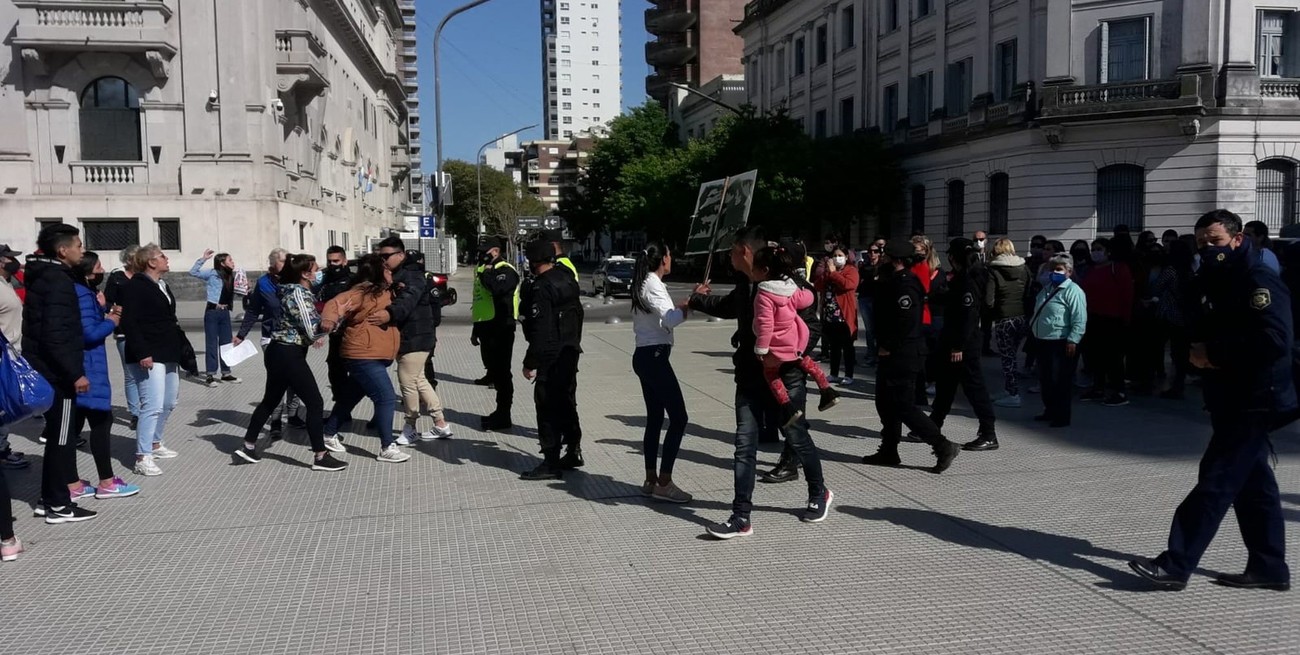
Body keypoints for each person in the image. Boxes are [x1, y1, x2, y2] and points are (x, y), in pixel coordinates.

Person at [1129, 209, 1293, 592]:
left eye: (1216, 241)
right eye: (1202, 241)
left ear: (1238, 240)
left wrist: (1213, 352)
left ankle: (1176, 564)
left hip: (1255, 397)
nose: (1207, 248)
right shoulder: (1216, 279)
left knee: (1217, 478)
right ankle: (1270, 567)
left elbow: (1275, 340)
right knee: (1256, 486)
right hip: (1230, 394)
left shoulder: (1257, 279)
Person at [689, 227, 833, 539]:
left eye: (731, 251)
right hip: (749, 377)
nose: (729, 256)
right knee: (744, 446)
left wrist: (785, 357)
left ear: (744, 251)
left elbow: (813, 327)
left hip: (786, 377)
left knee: (796, 438)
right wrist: (698, 300)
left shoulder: (791, 285)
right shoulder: (745, 283)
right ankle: (741, 517)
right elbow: (729, 308)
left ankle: (819, 492)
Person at [235, 254, 350, 471]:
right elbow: (313, 330)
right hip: (288, 354)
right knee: (315, 402)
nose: (319, 273)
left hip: (279, 351)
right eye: (316, 269)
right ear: (305, 274)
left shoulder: (293, 290)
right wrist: (339, 317)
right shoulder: (298, 293)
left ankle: (248, 445)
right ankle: (320, 456)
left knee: (270, 400)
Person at [862, 237, 961, 473]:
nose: (880, 258)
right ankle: (889, 449)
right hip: (892, 353)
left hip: (903, 353)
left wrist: (888, 345)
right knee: (885, 402)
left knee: (904, 405)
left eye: (885, 255)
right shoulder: (892, 279)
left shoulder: (905, 283)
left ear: (894, 259)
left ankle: (943, 445)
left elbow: (904, 322)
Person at [23, 224, 98, 523]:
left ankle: (48, 499)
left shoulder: (47, 276)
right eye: (78, 245)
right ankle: (58, 504)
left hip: (49, 370)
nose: (82, 250)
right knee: (62, 439)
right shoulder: (57, 281)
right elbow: (56, 335)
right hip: (58, 376)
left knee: (59, 437)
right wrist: (75, 374)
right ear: (62, 250)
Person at [319, 255, 410, 463]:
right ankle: (387, 447)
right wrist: (328, 320)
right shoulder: (361, 291)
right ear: (377, 272)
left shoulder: (387, 290)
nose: (390, 273)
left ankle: (328, 433)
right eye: (386, 270)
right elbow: (335, 303)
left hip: (375, 354)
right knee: (386, 397)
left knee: (351, 395)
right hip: (362, 354)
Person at [70, 251, 140, 500]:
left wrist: (101, 308)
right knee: (101, 422)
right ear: (88, 272)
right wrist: (112, 319)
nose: (102, 270)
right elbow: (89, 334)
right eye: (98, 266)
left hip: (85, 368)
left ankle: (73, 484)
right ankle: (107, 483)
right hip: (88, 369)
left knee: (74, 428)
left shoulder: (83, 293)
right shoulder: (80, 294)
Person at [374, 238, 454, 445]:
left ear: (400, 255)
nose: (383, 260)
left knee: (407, 383)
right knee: (419, 380)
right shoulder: (401, 274)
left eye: (386, 256)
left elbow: (406, 301)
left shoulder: (412, 276)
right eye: (380, 256)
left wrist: (388, 313)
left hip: (416, 337)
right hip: (414, 336)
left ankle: (410, 427)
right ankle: (441, 423)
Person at [629, 242, 692, 502]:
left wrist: (680, 306)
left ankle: (650, 478)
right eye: (670, 254)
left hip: (645, 355)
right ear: (662, 260)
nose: (671, 258)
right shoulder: (653, 283)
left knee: (655, 417)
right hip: (654, 356)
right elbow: (670, 319)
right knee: (679, 418)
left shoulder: (644, 282)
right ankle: (664, 482)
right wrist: (689, 304)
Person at [518, 239, 585, 480]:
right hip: (570, 351)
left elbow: (541, 331)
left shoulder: (541, 288)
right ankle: (573, 448)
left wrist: (530, 362)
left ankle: (550, 460)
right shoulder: (567, 279)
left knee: (546, 406)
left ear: (533, 261)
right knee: (566, 401)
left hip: (552, 356)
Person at [753, 246, 841, 427]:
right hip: (794, 339)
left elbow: (765, 323)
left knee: (770, 373)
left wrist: (761, 348)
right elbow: (806, 299)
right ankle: (826, 390)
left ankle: (787, 408)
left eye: (755, 267)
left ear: (765, 270)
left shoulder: (764, 294)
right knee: (806, 361)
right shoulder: (790, 289)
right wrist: (807, 289)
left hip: (776, 344)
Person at [120, 244, 186, 477]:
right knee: (152, 404)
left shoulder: (161, 285)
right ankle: (142, 456)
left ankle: (156, 444)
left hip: (167, 350)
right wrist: (142, 352)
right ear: (151, 262)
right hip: (149, 352)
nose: (166, 259)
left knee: (169, 402)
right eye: (162, 256)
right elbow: (130, 322)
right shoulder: (135, 286)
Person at [928, 238, 997, 451]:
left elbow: (968, 317)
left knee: (974, 388)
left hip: (964, 344)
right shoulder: (961, 277)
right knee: (945, 387)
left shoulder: (969, 280)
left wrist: (958, 346)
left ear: (954, 257)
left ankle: (988, 433)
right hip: (952, 341)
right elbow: (948, 299)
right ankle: (931, 427)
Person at [236, 248, 301, 438]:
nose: (288, 264)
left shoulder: (295, 279)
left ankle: (294, 414)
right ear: (273, 265)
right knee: (279, 378)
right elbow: (254, 310)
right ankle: (275, 420)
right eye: (283, 261)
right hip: (271, 339)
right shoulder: (264, 283)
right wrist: (241, 334)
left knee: (295, 379)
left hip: (295, 338)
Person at [1030, 255, 1087, 428]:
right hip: (1042, 339)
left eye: (1059, 269)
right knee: (1045, 378)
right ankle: (1050, 410)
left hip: (1061, 341)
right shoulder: (1046, 288)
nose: (1054, 272)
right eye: (1052, 269)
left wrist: (1073, 339)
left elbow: (1079, 318)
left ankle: (1062, 415)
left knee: (1060, 380)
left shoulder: (1073, 291)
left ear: (1069, 272)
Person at [471, 237, 520, 431]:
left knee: (502, 373)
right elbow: (480, 300)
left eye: (485, 251)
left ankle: (504, 414)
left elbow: (498, 289)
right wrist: (476, 328)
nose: (482, 255)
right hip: (486, 326)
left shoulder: (506, 270)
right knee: (495, 372)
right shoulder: (485, 269)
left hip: (501, 328)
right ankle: (499, 412)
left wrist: (487, 275)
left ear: (496, 252)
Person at [1080, 238, 1134, 406]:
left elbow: (1127, 294)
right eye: (1093, 249)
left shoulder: (1118, 268)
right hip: (1093, 317)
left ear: (1108, 251)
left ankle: (1119, 391)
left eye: (1099, 249)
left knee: (1113, 357)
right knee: (1095, 356)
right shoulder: (1092, 270)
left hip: (1113, 319)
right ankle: (1098, 387)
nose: (1095, 252)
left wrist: (1126, 318)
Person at [985, 238, 1030, 408]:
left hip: (1004, 318)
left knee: (1007, 358)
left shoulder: (993, 270)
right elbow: (1028, 292)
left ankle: (1013, 393)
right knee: (1013, 356)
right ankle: (1009, 389)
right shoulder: (1024, 268)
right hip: (1021, 316)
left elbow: (989, 299)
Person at [190, 249, 243, 386]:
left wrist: (244, 290)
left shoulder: (231, 275)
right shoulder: (212, 273)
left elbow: (231, 292)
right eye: (230, 260)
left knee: (226, 343)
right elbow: (193, 272)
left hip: (225, 312)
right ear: (222, 263)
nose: (233, 262)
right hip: (212, 312)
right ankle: (210, 375)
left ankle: (226, 373)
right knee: (212, 343)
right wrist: (203, 259)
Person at [104, 246, 140, 431]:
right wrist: (112, 309)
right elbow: (106, 301)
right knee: (130, 374)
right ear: (128, 260)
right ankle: (136, 413)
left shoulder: (145, 277)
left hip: (144, 331)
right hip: (124, 331)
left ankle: (148, 408)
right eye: (135, 258)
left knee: (145, 371)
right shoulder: (117, 277)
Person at [0, 244, 28, 469]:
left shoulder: (6, 283)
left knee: (4, 406)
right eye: (10, 258)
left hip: (12, 355)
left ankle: (2, 448)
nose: (14, 261)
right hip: (2, 357)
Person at [816, 246, 860, 384]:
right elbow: (818, 285)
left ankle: (848, 375)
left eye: (840, 255)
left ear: (846, 257)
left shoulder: (851, 270)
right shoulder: (830, 271)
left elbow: (848, 285)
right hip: (830, 315)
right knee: (833, 346)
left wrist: (834, 273)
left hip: (844, 315)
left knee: (847, 346)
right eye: (834, 255)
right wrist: (826, 272)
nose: (837, 258)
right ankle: (834, 373)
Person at [316, 245, 353, 397]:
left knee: (357, 372)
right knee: (335, 369)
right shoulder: (324, 281)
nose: (332, 265)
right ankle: (341, 410)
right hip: (334, 335)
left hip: (352, 333)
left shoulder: (353, 281)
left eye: (336, 261)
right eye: (329, 261)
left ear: (344, 261)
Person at [857, 242, 882, 367]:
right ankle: (871, 354)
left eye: (876, 251)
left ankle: (879, 353)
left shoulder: (883, 266)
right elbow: (859, 282)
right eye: (871, 251)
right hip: (865, 298)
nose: (873, 254)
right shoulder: (864, 266)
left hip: (878, 299)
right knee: (869, 329)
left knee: (879, 328)